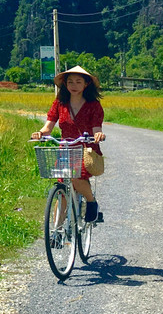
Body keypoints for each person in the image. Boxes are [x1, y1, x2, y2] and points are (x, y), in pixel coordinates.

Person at [31, 65, 106, 222]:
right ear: (65, 84)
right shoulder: (60, 103)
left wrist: (98, 134)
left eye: (78, 82)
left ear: (86, 84)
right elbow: (48, 126)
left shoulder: (93, 105)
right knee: (63, 188)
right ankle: (56, 231)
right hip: (65, 148)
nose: (74, 85)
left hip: (86, 149)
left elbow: (96, 128)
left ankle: (91, 202)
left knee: (76, 178)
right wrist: (40, 133)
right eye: (70, 82)